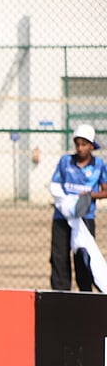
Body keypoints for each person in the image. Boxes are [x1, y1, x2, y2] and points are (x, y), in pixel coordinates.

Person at [49, 124, 107, 292]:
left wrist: (89, 196)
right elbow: (55, 185)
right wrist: (66, 203)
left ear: (91, 146)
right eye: (77, 144)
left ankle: (85, 294)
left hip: (85, 217)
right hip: (62, 217)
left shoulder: (99, 166)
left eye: (84, 144)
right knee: (59, 256)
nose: (80, 148)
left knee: (83, 256)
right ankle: (60, 294)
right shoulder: (65, 162)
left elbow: (105, 190)